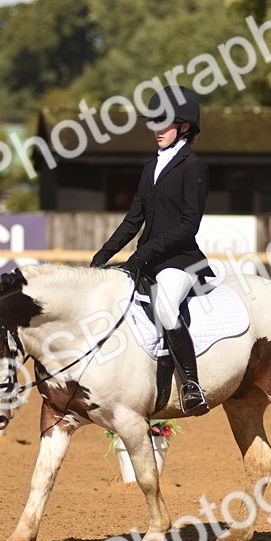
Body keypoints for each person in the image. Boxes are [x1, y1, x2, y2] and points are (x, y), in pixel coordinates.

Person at [90, 85, 213, 415]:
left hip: (180, 261)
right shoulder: (150, 167)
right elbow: (134, 219)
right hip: (147, 260)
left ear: (184, 126)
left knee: (167, 307)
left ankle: (191, 385)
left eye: (165, 122)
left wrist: (141, 255)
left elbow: (188, 225)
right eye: (155, 122)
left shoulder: (193, 167)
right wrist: (103, 255)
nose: (157, 129)